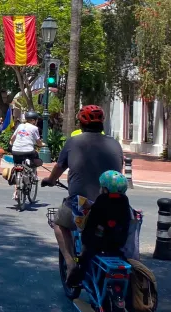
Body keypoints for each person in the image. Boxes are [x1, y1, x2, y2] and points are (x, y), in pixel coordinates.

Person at [40, 105, 123, 285]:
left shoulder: (73, 142)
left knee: (59, 224)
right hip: (114, 205)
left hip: (82, 204)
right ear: (102, 124)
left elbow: (58, 169)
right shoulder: (115, 143)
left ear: (81, 123)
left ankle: (70, 264)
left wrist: (50, 180)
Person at [9, 111, 44, 200]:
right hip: (28, 151)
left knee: (17, 168)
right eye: (36, 120)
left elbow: (12, 138)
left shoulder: (20, 126)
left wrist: (12, 144)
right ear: (33, 120)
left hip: (15, 150)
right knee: (36, 155)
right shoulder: (34, 128)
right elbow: (38, 142)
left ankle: (16, 192)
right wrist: (42, 144)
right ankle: (33, 174)